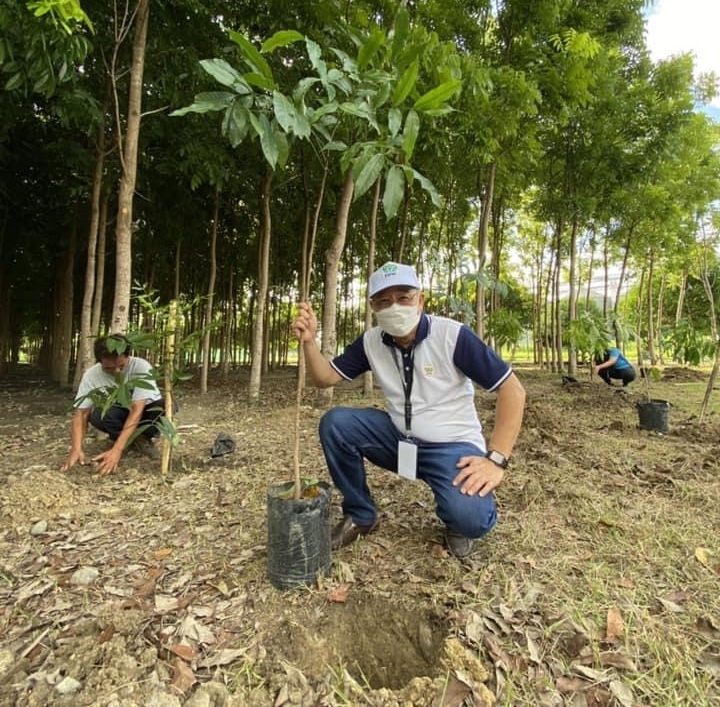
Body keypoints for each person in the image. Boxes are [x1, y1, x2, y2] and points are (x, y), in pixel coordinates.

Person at [292, 261, 526, 559]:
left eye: (403, 297)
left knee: (471, 518)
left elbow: (512, 391)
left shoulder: (452, 336)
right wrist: (309, 342)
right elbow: (324, 378)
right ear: (373, 307)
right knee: (336, 423)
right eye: (384, 301)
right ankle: (361, 515)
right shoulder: (371, 342)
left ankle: (458, 523)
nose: (395, 307)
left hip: (452, 447)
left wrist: (496, 460)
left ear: (420, 300)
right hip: (398, 438)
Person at [60, 334, 164, 476]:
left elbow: (136, 410)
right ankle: (133, 441)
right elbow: (81, 413)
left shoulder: (141, 367)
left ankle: (141, 438)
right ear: (99, 361)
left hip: (146, 413)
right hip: (119, 413)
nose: (117, 372)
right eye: (109, 368)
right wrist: (76, 449)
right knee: (99, 415)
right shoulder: (91, 375)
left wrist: (117, 451)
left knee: (164, 406)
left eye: (121, 366)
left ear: (128, 356)